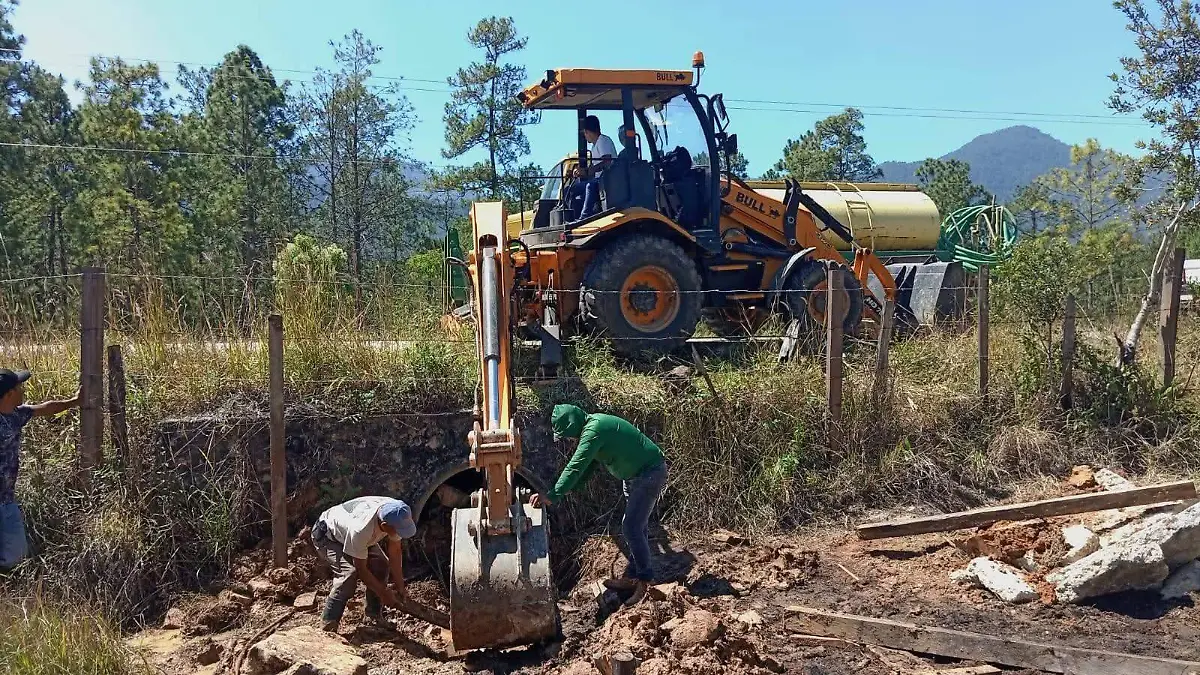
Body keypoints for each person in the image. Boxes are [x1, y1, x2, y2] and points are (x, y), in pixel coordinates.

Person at [530, 404, 668, 604]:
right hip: (634, 476)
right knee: (637, 528)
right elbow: (588, 466)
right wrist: (571, 489)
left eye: (568, 435)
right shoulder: (594, 427)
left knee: (631, 527)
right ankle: (634, 576)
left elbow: (576, 464)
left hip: (648, 474)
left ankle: (646, 583)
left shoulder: (595, 429)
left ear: (572, 426)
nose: (570, 440)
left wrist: (552, 495)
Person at [0, 368, 80, 570]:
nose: (23, 389)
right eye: (20, 387)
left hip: (6, 500)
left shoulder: (15, 415)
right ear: (9, 394)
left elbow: (45, 408)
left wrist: (74, 402)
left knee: (15, 556)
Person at [311, 495, 417, 632]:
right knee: (348, 575)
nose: (399, 535)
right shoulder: (361, 529)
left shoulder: (395, 510)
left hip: (352, 534)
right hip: (328, 537)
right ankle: (328, 626)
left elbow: (395, 551)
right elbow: (362, 570)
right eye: (398, 531)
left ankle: (373, 616)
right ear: (384, 526)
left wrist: (400, 584)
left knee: (381, 565)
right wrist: (383, 593)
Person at [565, 115, 617, 220]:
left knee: (590, 186)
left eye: (584, 133)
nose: (585, 136)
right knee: (570, 190)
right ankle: (571, 217)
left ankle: (585, 217)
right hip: (598, 180)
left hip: (607, 180)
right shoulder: (594, 146)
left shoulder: (603, 141)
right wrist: (582, 172)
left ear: (587, 131)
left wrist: (588, 170)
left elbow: (607, 162)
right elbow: (594, 169)